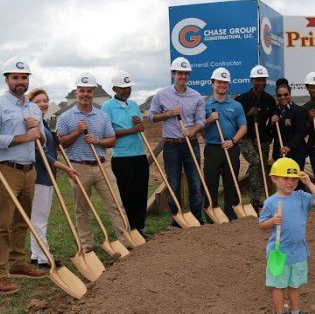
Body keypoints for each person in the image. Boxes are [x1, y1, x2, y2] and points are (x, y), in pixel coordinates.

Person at [0, 57, 46, 294]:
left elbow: (41, 139)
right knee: (2, 223)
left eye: (24, 77)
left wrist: (37, 132)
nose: (20, 81)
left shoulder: (33, 108)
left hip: (29, 170)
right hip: (6, 169)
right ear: (6, 80)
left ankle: (18, 263)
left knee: (22, 220)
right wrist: (25, 137)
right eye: (15, 78)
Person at [56, 73, 130, 251]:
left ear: (93, 92)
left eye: (89, 91)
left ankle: (125, 240)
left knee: (115, 203)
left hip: (102, 165)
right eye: (82, 90)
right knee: (82, 209)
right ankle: (87, 246)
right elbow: (60, 145)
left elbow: (112, 140)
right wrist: (77, 131)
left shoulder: (102, 116)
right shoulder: (65, 117)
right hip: (78, 167)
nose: (85, 94)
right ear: (76, 92)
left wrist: (97, 141)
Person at [259, 157, 315, 314]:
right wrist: (272, 221)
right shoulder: (271, 202)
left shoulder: (301, 197)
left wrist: (308, 182)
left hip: (298, 251)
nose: (291, 183)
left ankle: (295, 313)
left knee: (295, 284)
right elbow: (262, 224)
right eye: (286, 178)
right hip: (278, 252)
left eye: (294, 179)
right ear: (274, 179)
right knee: (278, 285)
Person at [148, 57, 205, 225]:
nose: (183, 76)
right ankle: (177, 219)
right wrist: (168, 114)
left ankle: (196, 217)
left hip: (191, 144)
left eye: (186, 73)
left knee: (195, 182)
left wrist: (192, 131)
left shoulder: (196, 96)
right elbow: (151, 117)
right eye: (180, 73)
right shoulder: (161, 95)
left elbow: (201, 120)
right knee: (173, 184)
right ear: (173, 74)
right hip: (171, 145)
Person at [27, 88, 77, 268]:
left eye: (45, 101)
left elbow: (48, 148)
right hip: (39, 175)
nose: (43, 104)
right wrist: (65, 167)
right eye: (38, 101)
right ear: (30, 104)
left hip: (47, 175)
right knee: (39, 218)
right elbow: (40, 154)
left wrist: (56, 140)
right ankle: (43, 256)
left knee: (38, 217)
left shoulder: (43, 122)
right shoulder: (32, 124)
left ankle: (36, 254)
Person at [101, 71, 150, 239]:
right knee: (126, 194)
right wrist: (132, 130)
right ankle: (128, 228)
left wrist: (139, 125)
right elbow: (108, 133)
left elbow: (139, 127)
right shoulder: (107, 106)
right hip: (122, 157)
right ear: (114, 88)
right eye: (122, 88)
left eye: (128, 87)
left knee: (140, 192)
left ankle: (139, 227)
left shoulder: (134, 105)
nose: (126, 90)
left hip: (139, 154)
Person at [203, 68, 247, 221]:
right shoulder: (205, 105)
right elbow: (199, 127)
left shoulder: (236, 105)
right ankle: (211, 213)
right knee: (211, 182)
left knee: (231, 181)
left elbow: (243, 127)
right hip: (212, 149)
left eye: (225, 82)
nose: (222, 85)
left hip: (231, 147)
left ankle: (230, 212)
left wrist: (233, 140)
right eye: (219, 82)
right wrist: (209, 120)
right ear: (212, 83)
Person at [234, 65, 276, 211]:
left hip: (262, 139)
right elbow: (236, 121)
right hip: (246, 138)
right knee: (256, 162)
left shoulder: (269, 100)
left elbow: (271, 121)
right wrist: (248, 114)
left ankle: (261, 195)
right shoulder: (241, 100)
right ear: (252, 80)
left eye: (263, 79)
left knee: (261, 167)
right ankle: (256, 199)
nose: (261, 82)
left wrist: (270, 135)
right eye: (257, 80)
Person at [271, 78, 307, 170]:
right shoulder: (274, 111)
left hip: (296, 153)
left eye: (285, 94)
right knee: (281, 178)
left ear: (290, 94)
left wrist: (289, 147)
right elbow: (271, 132)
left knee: (296, 178)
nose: (283, 97)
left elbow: (300, 133)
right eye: (279, 95)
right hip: (279, 153)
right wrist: (271, 123)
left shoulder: (298, 110)